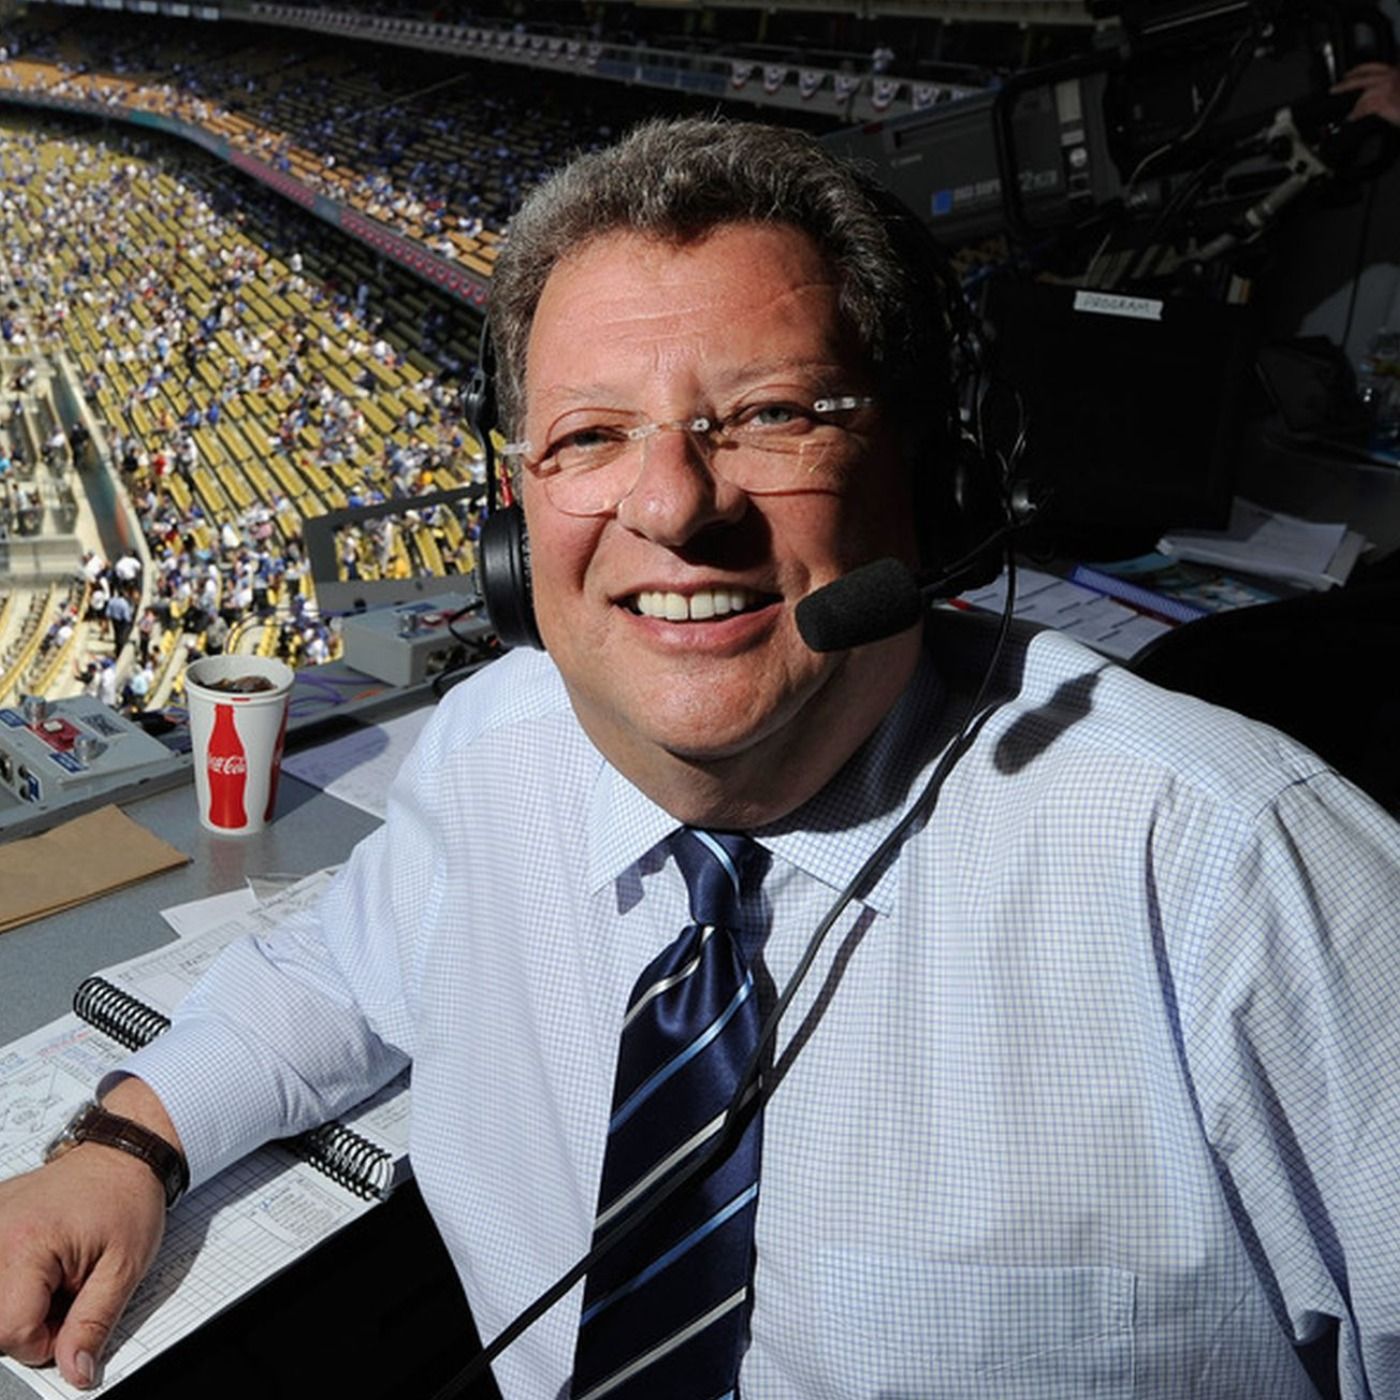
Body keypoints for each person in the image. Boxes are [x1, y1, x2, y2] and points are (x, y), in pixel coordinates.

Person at [3, 117, 1400, 1400]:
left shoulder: (1240, 875)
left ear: (938, 477)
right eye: (592, 437)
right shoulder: (500, 746)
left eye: (773, 413)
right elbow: (332, 973)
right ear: (514, 531)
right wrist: (124, 1143)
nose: (672, 503)